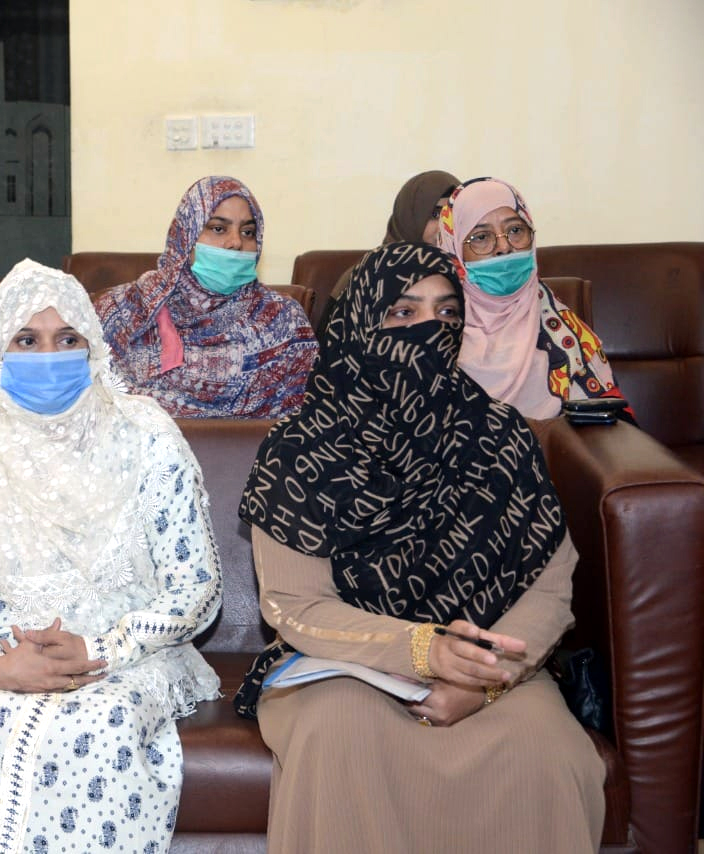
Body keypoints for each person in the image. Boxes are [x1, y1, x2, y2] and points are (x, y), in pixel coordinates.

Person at [235, 242, 604, 852]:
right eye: (403, 314)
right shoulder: (301, 446)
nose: (430, 330)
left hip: (493, 670)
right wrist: (422, 651)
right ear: (358, 324)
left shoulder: (499, 433)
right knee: (338, 736)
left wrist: (486, 678)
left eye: (447, 314)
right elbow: (295, 605)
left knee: (548, 751)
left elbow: (550, 582)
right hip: (344, 668)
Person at [0, 259, 223, 851]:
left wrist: (100, 650)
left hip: (123, 658)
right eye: (26, 340)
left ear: (94, 346)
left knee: (101, 729)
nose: (49, 355)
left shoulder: (145, 436)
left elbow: (197, 586)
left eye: (68, 339)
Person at [94, 176, 316, 418]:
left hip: (250, 455)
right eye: (218, 228)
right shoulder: (125, 310)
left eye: (248, 232)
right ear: (185, 238)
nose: (235, 242)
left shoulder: (283, 319)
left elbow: (305, 418)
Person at [436, 177, 628, 419]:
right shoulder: (435, 333)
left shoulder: (565, 332)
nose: (504, 247)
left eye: (515, 230)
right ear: (454, 251)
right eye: (481, 237)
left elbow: (615, 423)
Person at [316, 169, 460, 339]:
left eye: (452, 215)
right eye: (435, 214)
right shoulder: (367, 276)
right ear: (410, 218)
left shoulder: (471, 276)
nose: (444, 227)